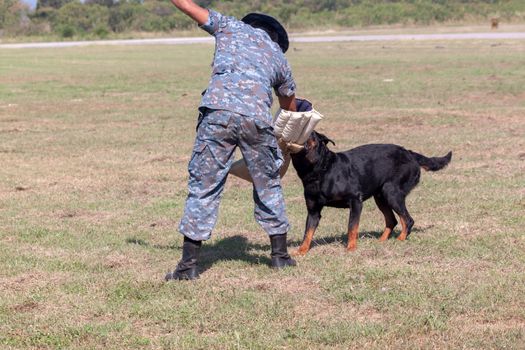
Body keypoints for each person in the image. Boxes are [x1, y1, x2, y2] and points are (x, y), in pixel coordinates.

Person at [165, 0, 298, 281]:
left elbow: (188, 6)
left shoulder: (230, 27)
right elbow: (289, 108)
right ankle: (280, 257)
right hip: (257, 121)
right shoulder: (278, 56)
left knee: (204, 187)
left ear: (250, 24)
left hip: (218, 116)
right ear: (276, 38)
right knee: (269, 184)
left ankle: (188, 267)